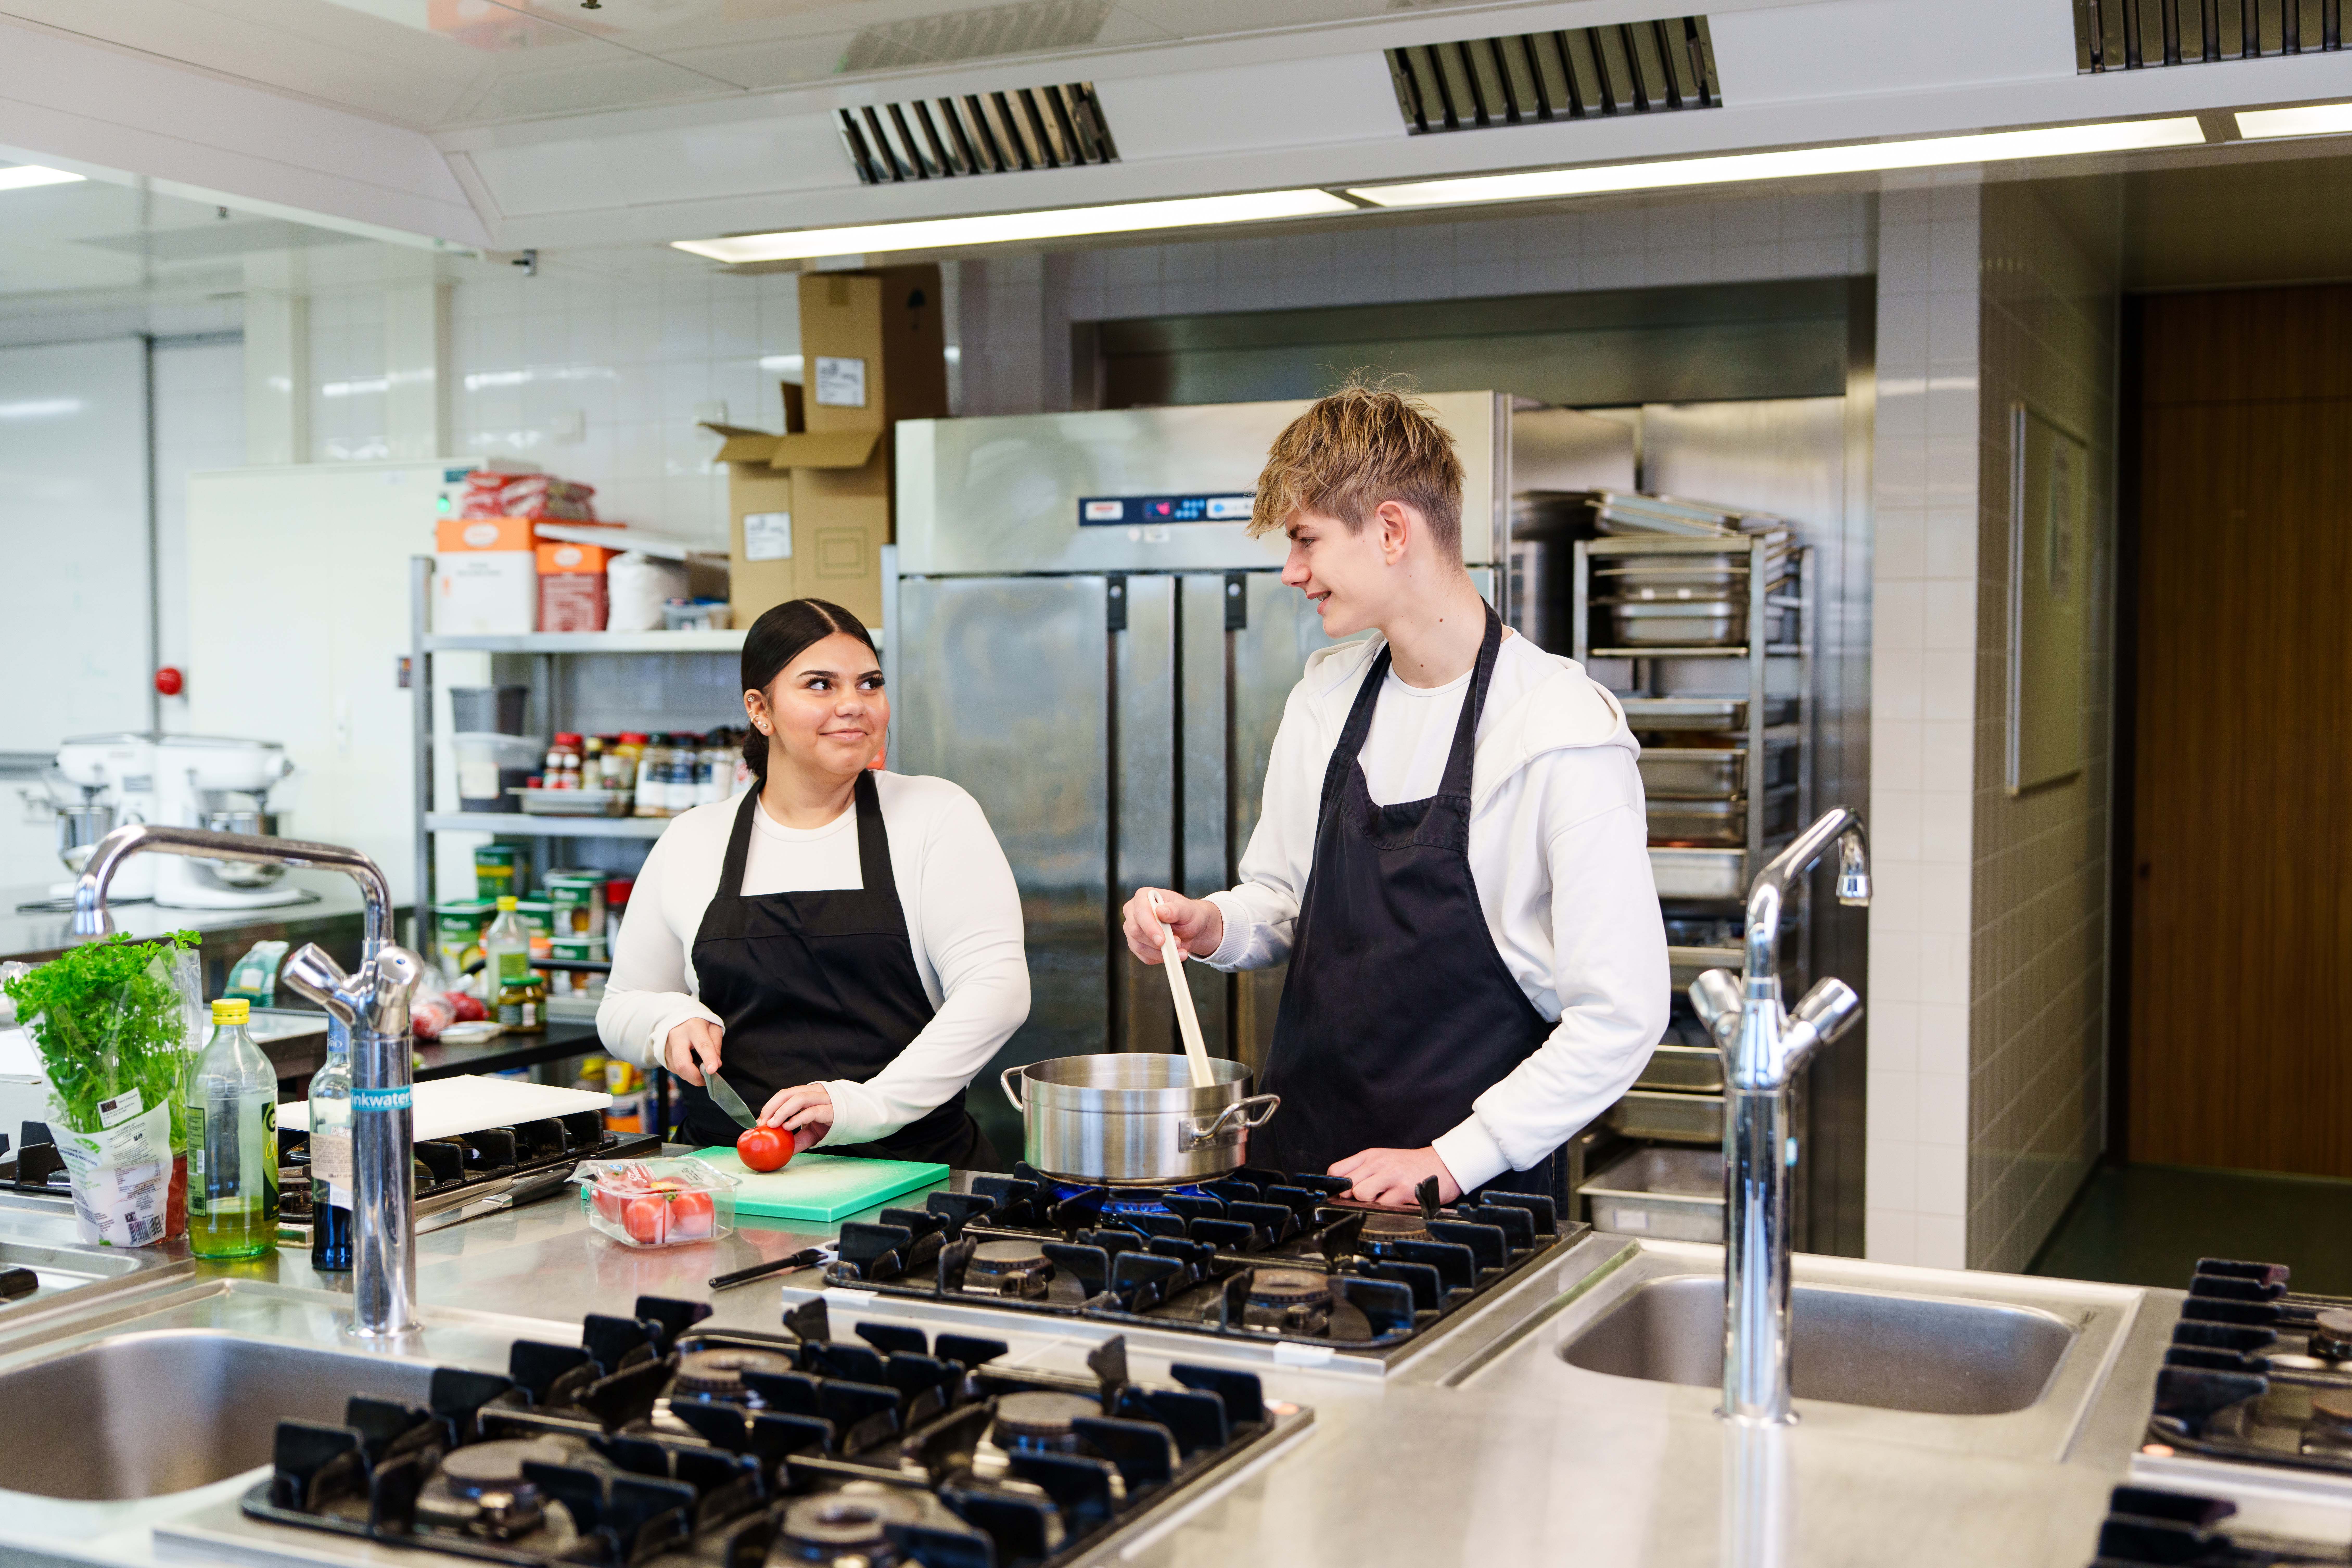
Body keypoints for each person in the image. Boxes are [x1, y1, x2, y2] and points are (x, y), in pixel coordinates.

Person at [1123, 383, 1668, 1209]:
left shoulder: (1557, 728)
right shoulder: (1327, 697)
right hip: (1301, 1170)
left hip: (1470, 1199)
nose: (1290, 572)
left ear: (1389, 530)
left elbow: (1621, 1014)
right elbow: (1282, 900)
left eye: (1306, 539)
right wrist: (1215, 925)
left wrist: (1455, 1157)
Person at [599, 597, 1028, 1166]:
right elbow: (620, 1006)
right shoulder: (694, 839)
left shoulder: (934, 815)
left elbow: (996, 990)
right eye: (820, 685)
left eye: (869, 683)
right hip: (728, 1181)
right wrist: (667, 1020)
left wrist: (864, 1104)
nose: (854, 705)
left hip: (912, 1178)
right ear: (760, 709)